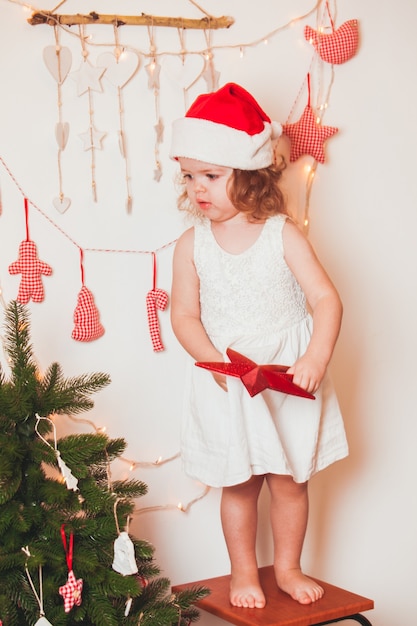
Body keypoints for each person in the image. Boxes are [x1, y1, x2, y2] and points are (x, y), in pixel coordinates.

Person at [169, 83, 348, 609]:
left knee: (290, 482)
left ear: (247, 173)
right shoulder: (191, 244)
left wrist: (315, 357)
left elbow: (327, 300)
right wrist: (217, 363)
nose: (198, 189)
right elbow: (183, 316)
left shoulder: (281, 234)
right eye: (189, 177)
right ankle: (243, 571)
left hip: (287, 380)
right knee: (240, 484)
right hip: (230, 383)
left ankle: (288, 567)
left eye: (211, 176)